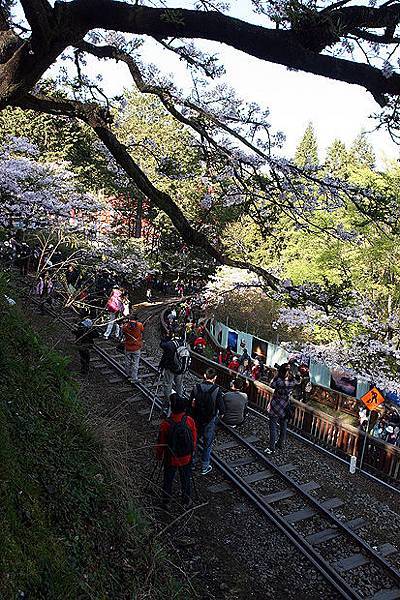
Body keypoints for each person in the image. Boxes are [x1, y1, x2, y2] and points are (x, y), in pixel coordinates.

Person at [155, 394, 197, 510]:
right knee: (186, 478)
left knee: (168, 479)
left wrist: (158, 456)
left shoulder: (166, 424)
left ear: (172, 408)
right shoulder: (189, 420)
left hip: (171, 457)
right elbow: (194, 439)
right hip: (186, 457)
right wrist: (191, 451)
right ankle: (186, 500)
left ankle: (166, 501)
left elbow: (161, 443)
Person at [190, 367, 225, 475]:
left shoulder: (196, 388)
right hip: (210, 420)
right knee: (207, 444)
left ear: (205, 375)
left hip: (196, 419)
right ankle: (205, 466)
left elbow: (190, 403)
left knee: (194, 441)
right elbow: (222, 409)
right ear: (215, 378)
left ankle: (191, 463)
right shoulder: (217, 390)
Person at [264, 363, 299, 454]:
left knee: (273, 426)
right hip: (286, 404)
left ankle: (271, 448)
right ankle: (280, 443)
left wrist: (276, 375)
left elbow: (271, 384)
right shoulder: (293, 381)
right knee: (283, 425)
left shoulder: (279, 381)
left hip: (276, 404)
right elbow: (296, 381)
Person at [159, 332, 190, 412]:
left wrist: (165, 338)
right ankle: (179, 400)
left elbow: (162, 345)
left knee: (167, 384)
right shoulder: (185, 344)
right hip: (180, 369)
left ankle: (169, 401)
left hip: (170, 368)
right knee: (179, 385)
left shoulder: (170, 344)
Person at [122, 313, 144, 383]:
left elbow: (123, 332)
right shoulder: (140, 325)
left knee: (127, 362)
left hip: (128, 347)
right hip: (136, 347)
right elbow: (142, 330)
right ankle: (134, 377)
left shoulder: (125, 326)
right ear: (136, 319)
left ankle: (128, 374)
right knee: (135, 363)